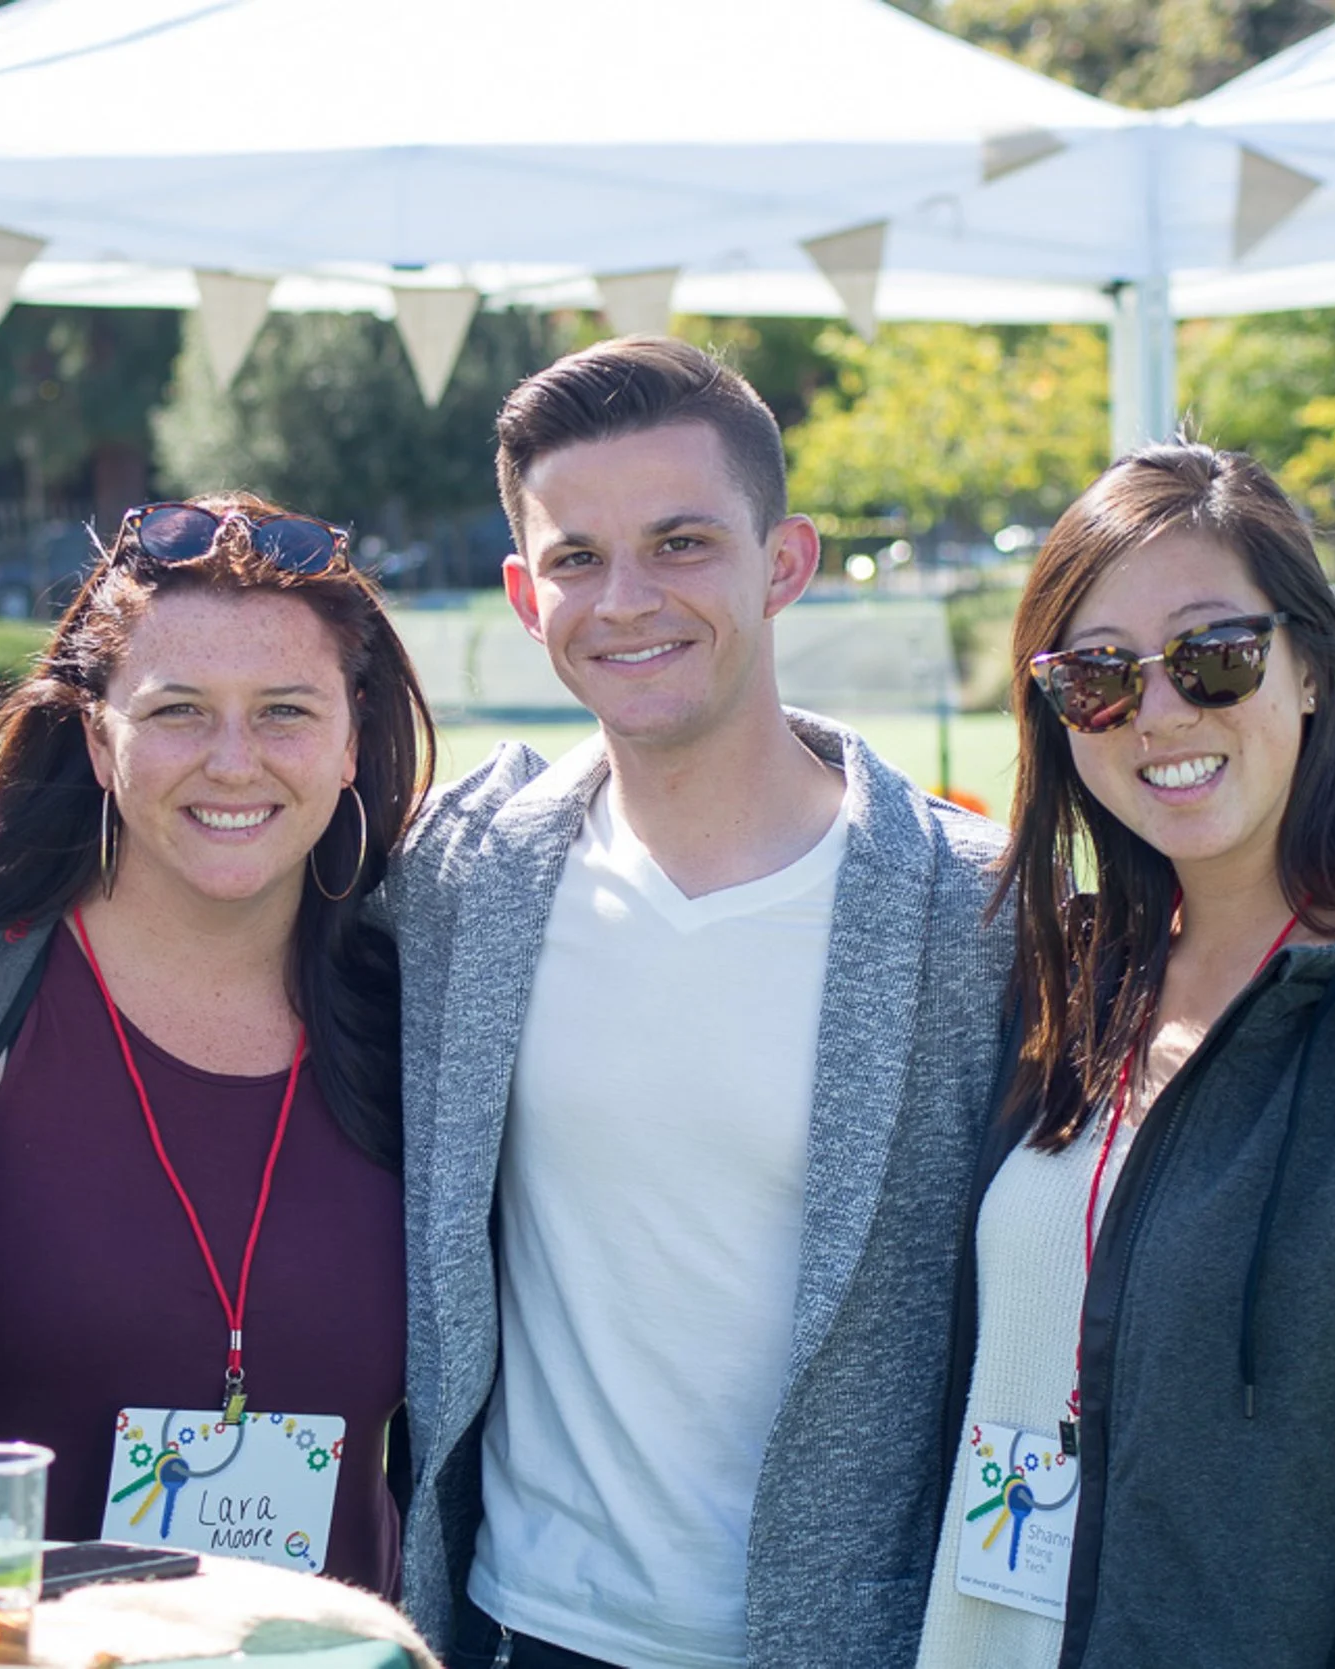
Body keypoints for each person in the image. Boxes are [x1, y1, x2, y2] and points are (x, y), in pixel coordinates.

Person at [379, 337, 1011, 1669]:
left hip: (845, 1641)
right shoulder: (461, 877)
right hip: (516, 1629)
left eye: (680, 543)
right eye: (576, 559)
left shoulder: (975, 913)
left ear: (786, 562)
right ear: (522, 592)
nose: (626, 600)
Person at [916, 444, 1335, 1669]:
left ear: (1314, 668)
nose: (1160, 711)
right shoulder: (1085, 978)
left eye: (1213, 655)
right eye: (1097, 677)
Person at [0, 494, 433, 1594]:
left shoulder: (422, 1016)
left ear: (351, 739)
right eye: (177, 712)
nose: (233, 760)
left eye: (285, 712)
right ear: (98, 742)